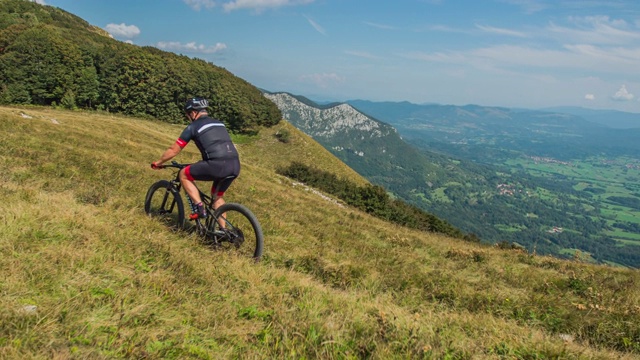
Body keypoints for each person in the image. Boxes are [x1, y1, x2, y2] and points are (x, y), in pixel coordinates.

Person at [151, 97, 240, 219]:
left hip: (217, 165)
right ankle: (222, 231)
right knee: (216, 197)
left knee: (183, 174)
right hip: (234, 165)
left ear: (193, 113)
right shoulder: (219, 123)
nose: (188, 118)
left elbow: (174, 150)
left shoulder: (193, 127)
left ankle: (199, 208)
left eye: (188, 115)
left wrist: (158, 162)